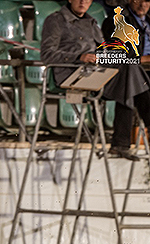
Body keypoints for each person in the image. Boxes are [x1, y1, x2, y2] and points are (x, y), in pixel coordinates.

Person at [42, 0, 150, 159]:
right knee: (129, 76)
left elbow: (103, 53)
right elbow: (47, 55)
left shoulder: (90, 21)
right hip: (71, 74)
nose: (82, 2)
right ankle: (129, 136)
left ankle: (121, 144)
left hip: (94, 71)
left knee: (129, 73)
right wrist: (79, 57)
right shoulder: (56, 20)